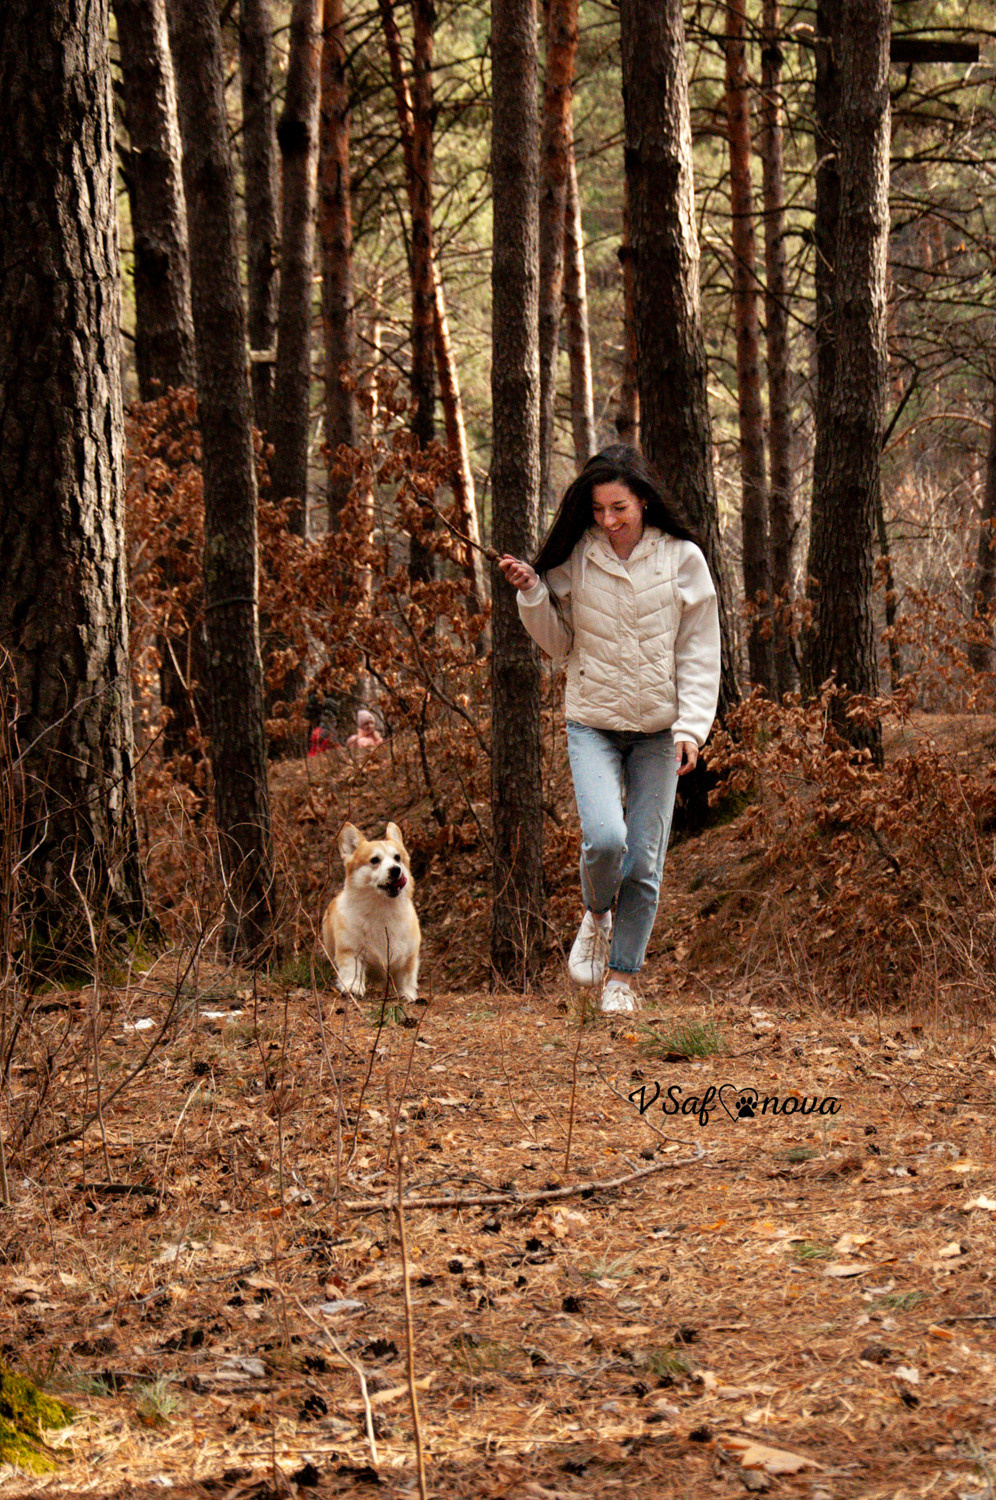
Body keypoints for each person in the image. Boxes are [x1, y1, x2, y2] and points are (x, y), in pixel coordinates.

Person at [498, 445, 721, 1015]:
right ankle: (596, 915)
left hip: (658, 731)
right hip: (592, 722)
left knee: (645, 861)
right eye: (597, 509)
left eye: (618, 507)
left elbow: (699, 650)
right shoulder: (578, 555)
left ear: (643, 499)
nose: (608, 520)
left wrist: (692, 728)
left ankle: (621, 982)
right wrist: (532, 593)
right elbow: (558, 644)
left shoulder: (682, 558)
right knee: (606, 840)